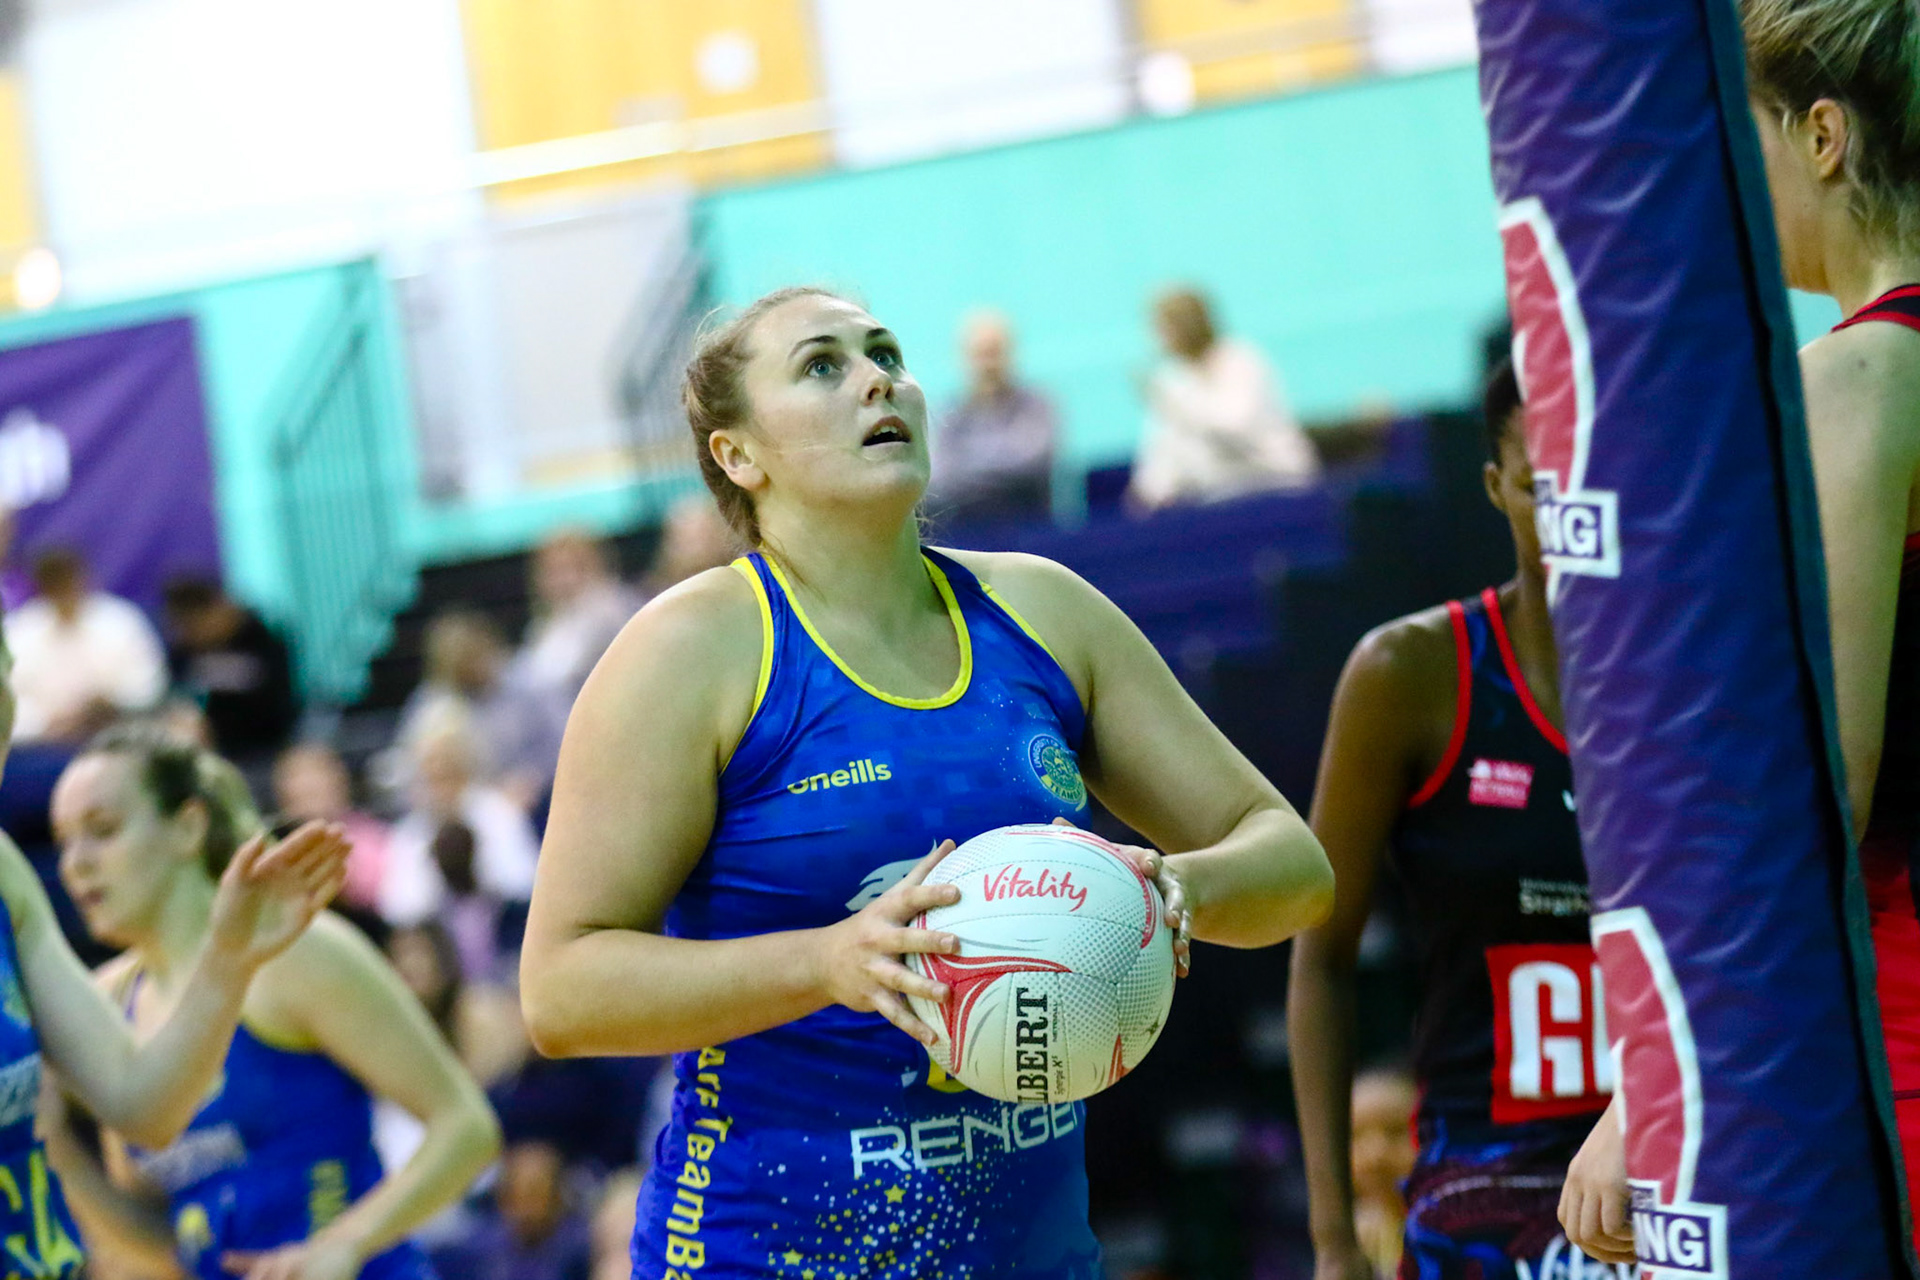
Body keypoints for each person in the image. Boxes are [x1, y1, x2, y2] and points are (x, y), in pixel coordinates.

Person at [518, 286, 1334, 1278]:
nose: (877, 380)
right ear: (739, 454)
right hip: (757, 1252)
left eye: (886, 354)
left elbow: (1293, 863)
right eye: (823, 365)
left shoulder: (1045, 611)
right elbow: (562, 989)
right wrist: (828, 961)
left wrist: (1173, 890)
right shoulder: (687, 651)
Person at [1558, 0, 1920, 1262]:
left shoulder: (1863, 372)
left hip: (1896, 1021)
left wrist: (1658, 1083)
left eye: (1751, 135)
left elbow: (1833, 778)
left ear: (1823, 134)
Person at [1290, 361, 1626, 1280]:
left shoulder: (1704, 672)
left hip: (1668, 1159)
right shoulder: (1410, 674)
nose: (1572, 515)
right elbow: (1320, 957)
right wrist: (1331, 1241)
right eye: (1538, 487)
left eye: (1593, 480)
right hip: (1484, 1183)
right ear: (1494, 487)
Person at [47, 727, 503, 1280]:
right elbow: (160, 1240)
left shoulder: (293, 952)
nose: (75, 863)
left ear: (188, 827)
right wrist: (59, 1152)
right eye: (64, 840)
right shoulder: (105, 1002)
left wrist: (343, 1244)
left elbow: (467, 1127)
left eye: (102, 831)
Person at [0, 618, 350, 1280]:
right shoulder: (115, 985)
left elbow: (145, 1107)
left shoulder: (5, 868)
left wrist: (229, 958)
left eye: (6, 671)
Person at [1128, 288, 1320, 511]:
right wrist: (1148, 494)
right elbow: (1164, 447)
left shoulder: (1242, 359)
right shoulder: (1172, 379)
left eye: (1168, 326)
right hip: (1219, 498)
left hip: (1279, 485)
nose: (1161, 336)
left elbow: (1235, 426)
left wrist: (1175, 404)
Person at [380, 715, 539, 961]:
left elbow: (524, 883)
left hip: (504, 940)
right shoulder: (409, 834)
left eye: (448, 769)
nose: (440, 780)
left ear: (465, 768)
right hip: (440, 954)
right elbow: (398, 909)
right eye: (431, 772)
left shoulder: (499, 813)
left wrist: (474, 877)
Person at [394, 612, 564, 815]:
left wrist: (531, 778)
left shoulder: (526, 681)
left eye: (475, 657)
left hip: (536, 797)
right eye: (462, 665)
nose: (474, 669)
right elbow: (407, 772)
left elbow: (562, 739)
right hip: (469, 808)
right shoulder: (431, 707)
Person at [9, 549, 167, 742]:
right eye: (54, 584)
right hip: (42, 742)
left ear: (82, 579)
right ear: (41, 586)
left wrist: (112, 704)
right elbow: (10, 698)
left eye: (66, 581)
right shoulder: (21, 629)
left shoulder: (122, 620)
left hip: (118, 729)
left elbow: (148, 685)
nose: (63, 590)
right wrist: (47, 722)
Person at [927, 311, 1057, 524]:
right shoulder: (949, 414)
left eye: (994, 353)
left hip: (1030, 526)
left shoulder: (1038, 405)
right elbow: (940, 477)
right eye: (980, 354)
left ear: (1010, 354)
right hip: (969, 532)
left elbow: (1030, 465)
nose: (988, 364)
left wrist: (969, 465)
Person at [163, 578, 301, 765]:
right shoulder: (182, 655)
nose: (191, 634)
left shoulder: (262, 640)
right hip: (216, 753)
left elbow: (281, 701)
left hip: (269, 747)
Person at [274, 743, 394, 915]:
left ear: (339, 781)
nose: (308, 784)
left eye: (318, 775)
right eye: (296, 778)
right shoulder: (273, 844)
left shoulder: (373, 837)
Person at [1349, 1067, 1418, 1280]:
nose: (1375, 1155)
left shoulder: (1452, 1228)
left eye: (1396, 1131)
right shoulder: (1347, 1236)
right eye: (1355, 1136)